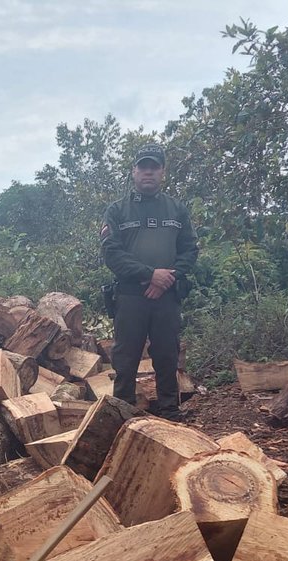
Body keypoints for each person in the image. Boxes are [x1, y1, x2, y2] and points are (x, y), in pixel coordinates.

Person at [101, 143, 199, 420]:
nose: (148, 172)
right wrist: (149, 275)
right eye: (143, 167)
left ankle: (169, 410)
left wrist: (168, 278)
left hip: (167, 296)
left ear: (162, 172)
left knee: (167, 356)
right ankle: (123, 415)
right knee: (125, 360)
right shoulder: (118, 211)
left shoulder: (177, 210)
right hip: (130, 297)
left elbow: (190, 250)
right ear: (134, 172)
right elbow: (112, 254)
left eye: (154, 167)